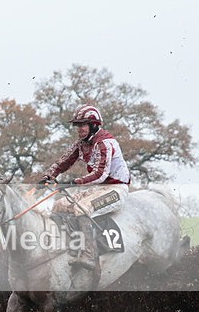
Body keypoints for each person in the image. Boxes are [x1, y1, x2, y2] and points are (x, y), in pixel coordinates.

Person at [39, 104, 131, 271]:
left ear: (93, 125)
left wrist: (74, 182)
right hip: (99, 189)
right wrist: (49, 176)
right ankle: (70, 246)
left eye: (82, 125)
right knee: (58, 205)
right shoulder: (81, 143)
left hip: (116, 189)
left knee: (83, 209)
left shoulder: (105, 143)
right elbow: (63, 161)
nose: (79, 129)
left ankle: (89, 255)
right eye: (77, 126)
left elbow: (100, 175)